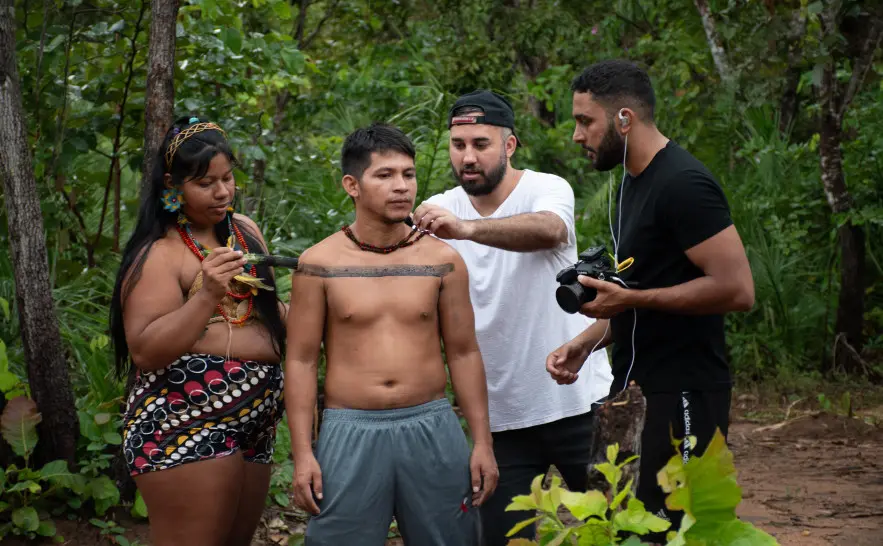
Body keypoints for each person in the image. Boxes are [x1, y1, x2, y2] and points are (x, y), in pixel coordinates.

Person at [545, 60, 755, 541]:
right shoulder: (630, 186)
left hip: (685, 390)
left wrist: (634, 297)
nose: (578, 135)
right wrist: (585, 342)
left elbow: (738, 289)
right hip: (635, 390)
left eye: (585, 121)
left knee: (680, 528)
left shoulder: (683, 184)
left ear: (624, 119)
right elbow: (637, 297)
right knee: (632, 525)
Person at [412, 90, 613, 545]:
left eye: (480, 144)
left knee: (618, 527)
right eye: (458, 144)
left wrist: (464, 230)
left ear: (509, 146)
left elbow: (550, 230)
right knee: (500, 538)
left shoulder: (546, 188)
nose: (467, 156)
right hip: (499, 420)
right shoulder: (438, 207)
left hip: (578, 402)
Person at [284, 123, 498, 546]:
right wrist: (304, 454)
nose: (402, 186)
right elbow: (302, 360)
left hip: (432, 424)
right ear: (352, 185)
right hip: (350, 428)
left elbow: (464, 353)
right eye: (384, 175)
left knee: (451, 539)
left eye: (408, 174)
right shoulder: (318, 263)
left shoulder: (442, 259)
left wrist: (482, 443)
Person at [109, 116, 288, 546]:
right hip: (184, 425)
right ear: (173, 185)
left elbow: (268, 314)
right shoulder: (160, 254)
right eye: (206, 183)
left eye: (228, 179)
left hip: (254, 425)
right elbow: (146, 352)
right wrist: (206, 295)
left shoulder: (245, 232)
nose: (222, 192)